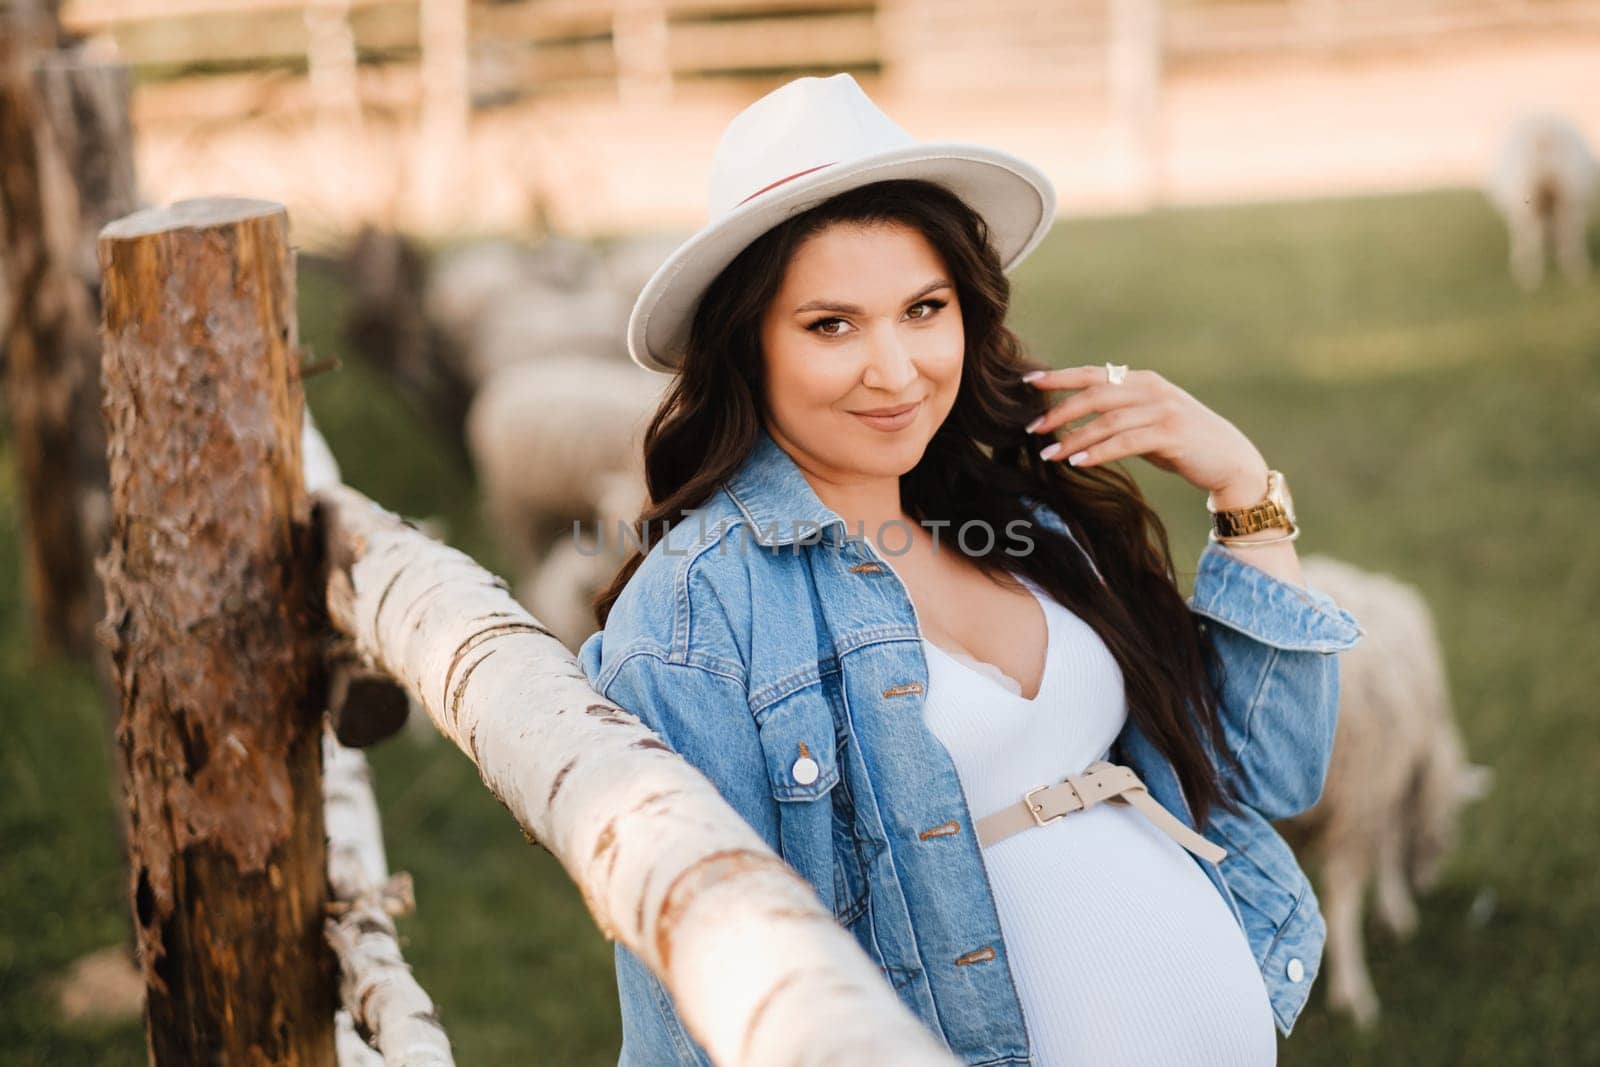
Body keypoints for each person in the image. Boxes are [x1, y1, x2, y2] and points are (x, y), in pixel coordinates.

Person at [577, 72, 1365, 1066]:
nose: (897, 368)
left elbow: (1270, 770)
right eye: (831, 324)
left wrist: (1242, 487)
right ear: (749, 349)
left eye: (922, 308)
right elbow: (695, 985)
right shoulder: (698, 608)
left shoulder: (1025, 526)